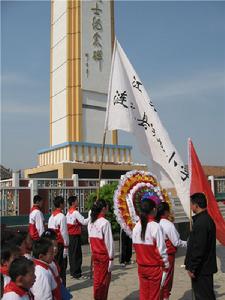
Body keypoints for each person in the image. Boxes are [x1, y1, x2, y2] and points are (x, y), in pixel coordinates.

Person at [132, 198, 169, 300]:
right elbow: (162, 250)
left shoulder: (136, 227)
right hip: (154, 268)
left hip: (141, 267)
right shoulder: (156, 227)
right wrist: (166, 266)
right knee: (154, 296)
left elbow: (135, 247)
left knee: (144, 295)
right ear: (153, 210)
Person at [185, 193, 217, 300]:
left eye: (191, 204)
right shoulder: (202, 220)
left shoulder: (202, 223)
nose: (191, 207)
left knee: (204, 296)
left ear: (196, 205)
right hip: (203, 267)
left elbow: (199, 248)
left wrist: (192, 267)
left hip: (202, 268)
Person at [156, 202, 187, 300]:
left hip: (156, 255)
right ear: (166, 212)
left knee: (159, 278)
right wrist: (188, 243)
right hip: (168, 255)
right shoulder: (168, 224)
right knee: (167, 279)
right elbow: (176, 242)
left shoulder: (156, 223)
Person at [88, 199, 114, 300]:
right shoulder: (105, 223)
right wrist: (111, 259)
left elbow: (90, 241)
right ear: (103, 208)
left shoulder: (91, 222)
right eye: (107, 206)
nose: (108, 208)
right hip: (103, 257)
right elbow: (109, 243)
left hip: (95, 255)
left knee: (97, 281)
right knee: (104, 282)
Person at [66, 195, 90, 279]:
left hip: (70, 236)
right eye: (77, 200)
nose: (78, 202)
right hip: (75, 236)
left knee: (72, 254)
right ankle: (77, 273)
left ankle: (73, 272)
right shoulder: (75, 212)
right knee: (77, 255)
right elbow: (84, 222)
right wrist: (91, 216)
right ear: (73, 203)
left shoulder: (68, 212)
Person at [48, 196, 69, 286]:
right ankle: (62, 286)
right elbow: (64, 233)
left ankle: (55, 285)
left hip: (52, 244)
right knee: (61, 267)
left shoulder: (51, 216)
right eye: (63, 202)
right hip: (60, 244)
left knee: (54, 266)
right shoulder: (62, 217)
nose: (64, 204)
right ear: (61, 204)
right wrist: (66, 246)